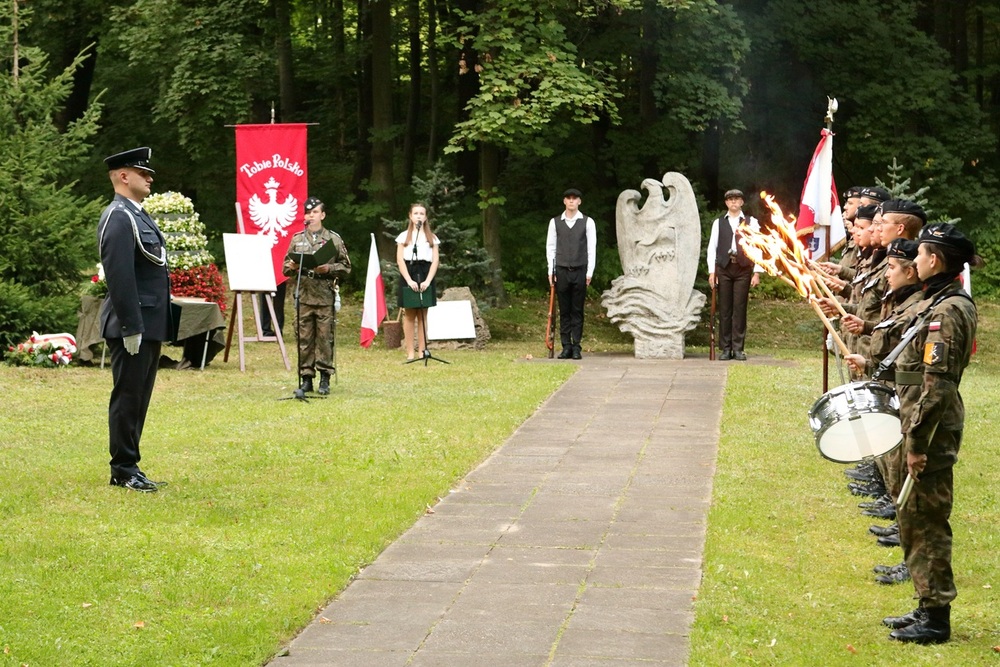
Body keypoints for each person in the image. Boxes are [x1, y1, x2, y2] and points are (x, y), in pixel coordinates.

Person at [882, 223, 979, 644]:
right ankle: (926, 603)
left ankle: (937, 617)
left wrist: (918, 444)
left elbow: (937, 385)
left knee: (928, 519)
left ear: (934, 260)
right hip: (916, 418)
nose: (913, 261)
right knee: (912, 515)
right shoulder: (936, 299)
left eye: (918, 255)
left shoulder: (948, 311)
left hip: (931, 427)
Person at [98, 147, 170, 493]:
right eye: (143, 173)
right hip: (134, 324)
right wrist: (130, 326)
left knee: (139, 396)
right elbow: (120, 276)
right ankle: (123, 469)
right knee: (128, 395)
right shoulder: (118, 215)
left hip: (148, 322)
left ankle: (131, 464)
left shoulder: (136, 214)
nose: (150, 177)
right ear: (123, 176)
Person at [283, 196, 351, 395]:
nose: (310, 216)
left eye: (314, 212)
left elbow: (346, 267)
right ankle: (306, 378)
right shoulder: (297, 239)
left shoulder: (333, 239)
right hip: (303, 295)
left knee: (324, 338)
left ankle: (324, 378)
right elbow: (284, 269)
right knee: (304, 338)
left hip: (324, 295)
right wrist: (293, 266)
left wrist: (329, 267)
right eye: (308, 213)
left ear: (322, 215)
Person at [706, 189, 762, 360]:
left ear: (742, 202)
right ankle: (725, 348)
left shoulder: (751, 222)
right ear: (726, 203)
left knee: (739, 309)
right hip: (724, 268)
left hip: (743, 268)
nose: (733, 202)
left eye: (737, 199)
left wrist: (757, 272)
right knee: (725, 309)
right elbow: (712, 248)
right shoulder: (718, 223)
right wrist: (712, 272)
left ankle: (738, 348)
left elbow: (758, 247)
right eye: (730, 200)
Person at [546, 188, 596, 359]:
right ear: (564, 201)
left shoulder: (588, 222)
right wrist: (550, 271)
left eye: (575, 198)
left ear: (579, 201)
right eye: (568, 198)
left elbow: (591, 249)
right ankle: (565, 345)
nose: (572, 201)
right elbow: (550, 248)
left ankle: (576, 346)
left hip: (580, 270)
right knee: (564, 310)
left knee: (577, 310)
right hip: (561, 270)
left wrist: (589, 272)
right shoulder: (555, 222)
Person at [396, 203, 441, 361]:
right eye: (416, 213)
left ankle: (422, 350)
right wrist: (408, 280)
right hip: (409, 271)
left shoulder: (432, 238)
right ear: (410, 216)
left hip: (425, 272)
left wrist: (428, 280)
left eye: (422, 214)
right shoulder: (404, 237)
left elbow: (435, 261)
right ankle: (410, 351)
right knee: (409, 314)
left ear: (426, 217)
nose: (419, 216)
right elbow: (400, 260)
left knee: (423, 313)